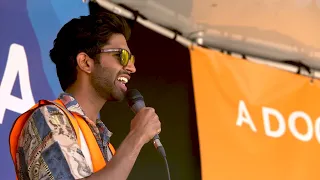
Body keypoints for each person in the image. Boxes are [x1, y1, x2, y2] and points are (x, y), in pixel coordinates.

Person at [9, 11, 161, 180]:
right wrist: (137, 136)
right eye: (122, 56)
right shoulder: (50, 118)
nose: (132, 68)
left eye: (131, 59)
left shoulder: (104, 143)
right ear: (86, 62)